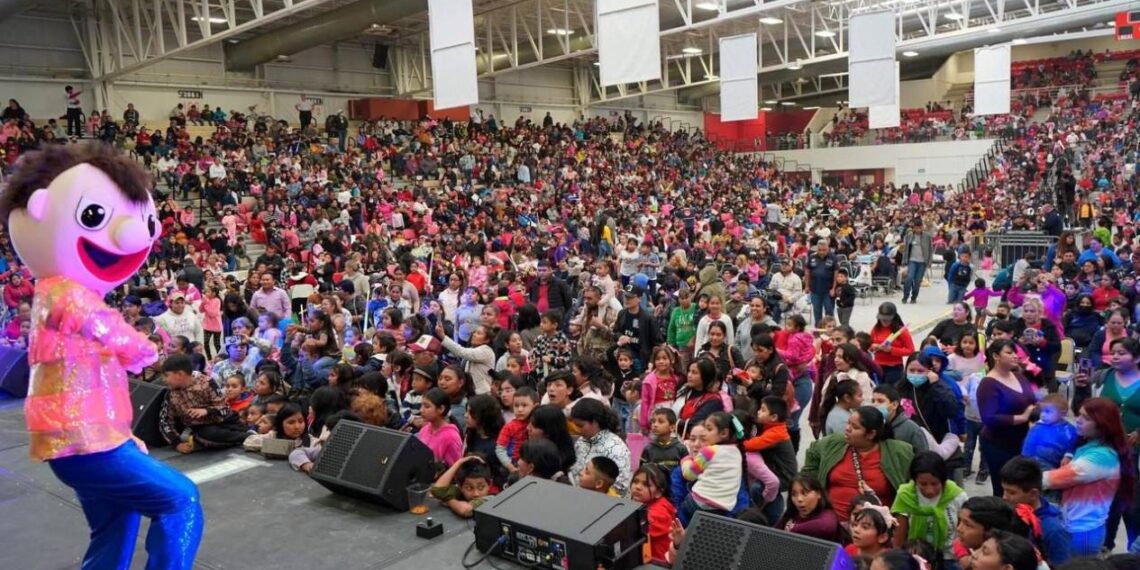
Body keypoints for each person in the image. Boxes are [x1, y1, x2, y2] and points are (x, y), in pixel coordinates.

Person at [1, 142, 202, 568]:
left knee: (116, 523)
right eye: (93, 216)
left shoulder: (61, 296)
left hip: (87, 440)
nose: (137, 235)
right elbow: (115, 334)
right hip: (82, 441)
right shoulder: (63, 293)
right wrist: (145, 348)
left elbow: (96, 376)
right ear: (39, 209)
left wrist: (122, 434)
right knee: (180, 500)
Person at [1043, 397, 1128, 558]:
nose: (1078, 420)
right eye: (1079, 415)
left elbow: (1053, 479)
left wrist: (1024, 478)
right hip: (1077, 525)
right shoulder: (1091, 446)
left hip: (1083, 531)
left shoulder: (1102, 456)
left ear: (1103, 424)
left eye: (1086, 418)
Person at [801, 406, 915, 520]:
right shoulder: (834, 444)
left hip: (873, 526)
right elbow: (812, 456)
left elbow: (914, 482)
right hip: (830, 524)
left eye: (855, 427)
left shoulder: (897, 452)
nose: (847, 428)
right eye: (848, 423)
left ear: (871, 434)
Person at [977, 339, 1038, 496]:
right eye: (1009, 353)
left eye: (1015, 353)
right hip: (999, 443)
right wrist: (1022, 418)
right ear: (996, 356)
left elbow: (1031, 399)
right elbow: (989, 418)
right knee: (1005, 489)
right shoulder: (988, 384)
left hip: (1022, 440)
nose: (1015, 356)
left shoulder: (1019, 376)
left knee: (1022, 488)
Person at [892, 451, 968, 568]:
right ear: (914, 481)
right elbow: (899, 534)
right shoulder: (906, 496)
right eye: (923, 484)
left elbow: (965, 531)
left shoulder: (957, 496)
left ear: (943, 480)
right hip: (917, 557)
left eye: (935, 484)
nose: (929, 490)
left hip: (950, 557)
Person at [998, 457, 1071, 565]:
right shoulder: (1009, 512)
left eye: (1011, 493)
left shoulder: (1053, 530)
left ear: (1033, 494)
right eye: (1004, 490)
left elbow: (1062, 565)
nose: (1004, 497)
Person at [679, 412, 744, 524]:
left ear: (723, 433)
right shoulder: (737, 452)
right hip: (722, 509)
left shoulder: (710, 451)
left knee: (683, 511)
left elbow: (689, 474)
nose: (705, 433)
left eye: (709, 429)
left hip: (699, 502)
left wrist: (686, 461)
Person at [569, 399, 632, 496]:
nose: (577, 430)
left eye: (580, 426)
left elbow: (620, 488)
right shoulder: (581, 441)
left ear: (595, 422)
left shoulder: (616, 449)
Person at [775, 474, 845, 543]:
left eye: (805, 493)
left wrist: (791, 533)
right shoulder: (791, 514)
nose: (799, 499)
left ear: (818, 493)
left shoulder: (827, 515)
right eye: (794, 494)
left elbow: (825, 527)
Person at [1020, 393, 1078, 471]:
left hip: (1055, 465)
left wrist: (1068, 455)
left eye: (1047, 412)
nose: (1043, 415)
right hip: (1033, 462)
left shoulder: (1069, 429)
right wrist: (1025, 461)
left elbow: (1073, 445)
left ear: (1062, 413)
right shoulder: (1038, 427)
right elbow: (1028, 444)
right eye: (1042, 411)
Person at [901, 219, 933, 304]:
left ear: (922, 227)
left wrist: (929, 261)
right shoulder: (909, 236)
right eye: (916, 228)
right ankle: (905, 296)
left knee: (918, 281)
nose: (918, 230)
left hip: (922, 262)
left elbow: (930, 249)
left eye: (920, 228)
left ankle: (914, 297)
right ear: (914, 228)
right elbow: (906, 249)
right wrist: (904, 260)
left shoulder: (927, 236)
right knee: (909, 278)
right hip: (912, 260)